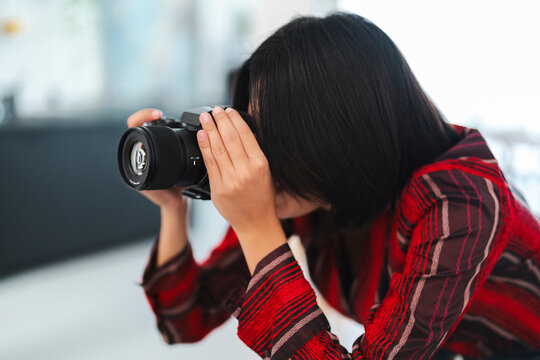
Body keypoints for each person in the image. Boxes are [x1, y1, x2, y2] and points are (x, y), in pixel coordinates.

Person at [127, 13, 540, 360]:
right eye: (254, 128)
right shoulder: (313, 194)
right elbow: (185, 321)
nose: (259, 154)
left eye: (278, 138)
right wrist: (173, 207)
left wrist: (257, 229)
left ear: (343, 143)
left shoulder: (460, 201)